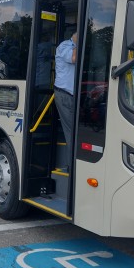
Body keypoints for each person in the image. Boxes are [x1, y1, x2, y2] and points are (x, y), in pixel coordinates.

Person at [54, 32, 77, 170]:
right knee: (71, 131)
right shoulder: (65, 45)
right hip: (64, 94)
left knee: (75, 129)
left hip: (73, 95)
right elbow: (73, 58)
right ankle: (71, 166)